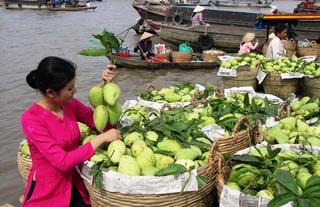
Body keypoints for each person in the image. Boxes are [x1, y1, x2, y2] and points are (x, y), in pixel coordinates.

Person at [21, 56, 121, 207]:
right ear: (50, 92)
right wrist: (101, 139)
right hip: (49, 191)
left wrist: (105, 89)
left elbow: (101, 125)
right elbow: (62, 162)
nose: (75, 91)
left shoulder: (69, 104)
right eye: (69, 88)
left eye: (73, 85)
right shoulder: (31, 119)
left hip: (75, 183)